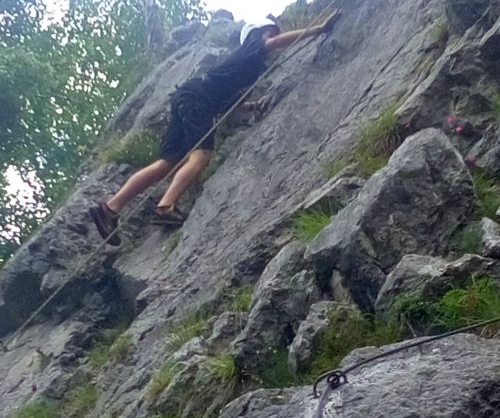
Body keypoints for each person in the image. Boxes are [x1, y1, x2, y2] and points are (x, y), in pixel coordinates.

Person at [89, 13, 340, 246]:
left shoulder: (244, 64)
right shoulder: (252, 48)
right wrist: (318, 29)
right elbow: (273, 43)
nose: (273, 36)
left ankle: (110, 208)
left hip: (189, 96)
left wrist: (252, 106)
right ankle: (165, 207)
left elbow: (227, 101)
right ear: (258, 33)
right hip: (198, 100)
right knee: (201, 156)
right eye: (270, 31)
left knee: (166, 163)